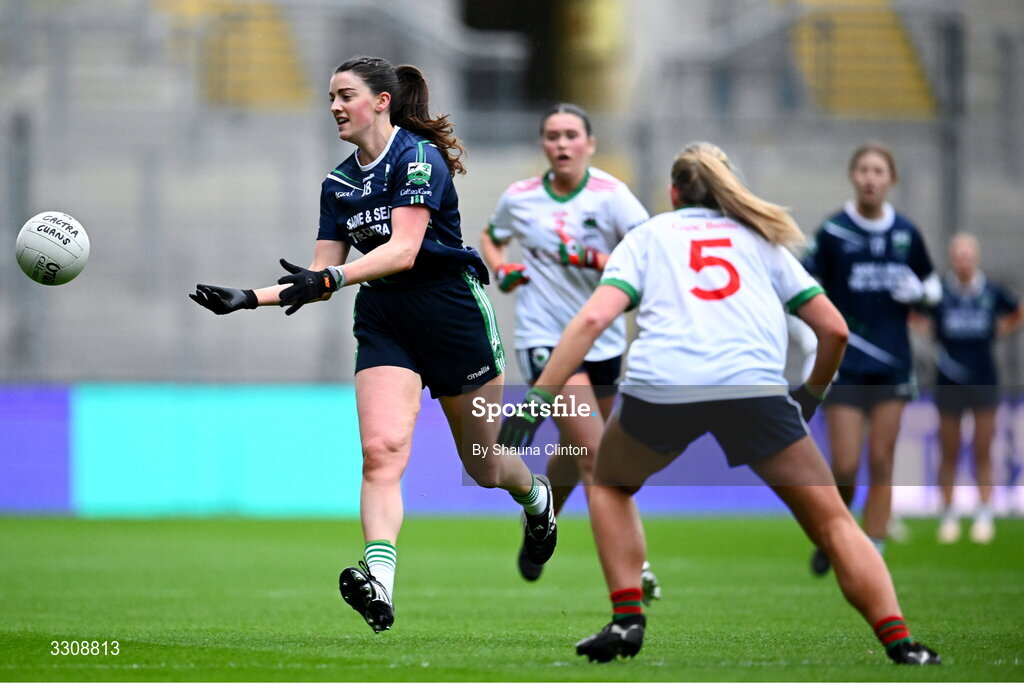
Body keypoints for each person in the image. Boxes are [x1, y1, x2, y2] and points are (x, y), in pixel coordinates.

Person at [498, 142, 940, 665]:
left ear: (673, 192)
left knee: (612, 485)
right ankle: (902, 644)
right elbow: (834, 330)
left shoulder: (648, 237)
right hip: (752, 387)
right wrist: (810, 396)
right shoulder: (763, 239)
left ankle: (626, 620)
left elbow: (592, 321)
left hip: (664, 384)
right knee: (835, 523)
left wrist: (537, 401)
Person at [189, 56, 557, 634]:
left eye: (345, 95)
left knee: (484, 466)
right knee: (382, 450)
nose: (334, 105)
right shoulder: (337, 183)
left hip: (453, 316)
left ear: (381, 101)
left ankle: (535, 498)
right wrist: (248, 297)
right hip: (385, 321)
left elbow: (404, 249)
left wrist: (330, 279)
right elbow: (318, 274)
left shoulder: (417, 157)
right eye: (330, 96)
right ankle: (380, 584)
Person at [480, 103, 658, 593]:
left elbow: (649, 254)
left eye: (571, 135)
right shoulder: (520, 197)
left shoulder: (613, 196)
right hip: (544, 340)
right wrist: (502, 267)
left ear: (589, 144)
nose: (561, 144)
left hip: (603, 341)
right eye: (552, 135)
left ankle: (542, 521)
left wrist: (597, 258)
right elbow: (492, 238)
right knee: (598, 454)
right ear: (543, 144)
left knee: (577, 448)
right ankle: (635, 568)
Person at [803, 142, 941, 575]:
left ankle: (873, 551)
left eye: (878, 171)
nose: (870, 177)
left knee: (882, 460)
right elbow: (806, 284)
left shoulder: (907, 234)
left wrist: (920, 293)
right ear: (852, 175)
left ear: (891, 179)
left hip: (893, 366)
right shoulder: (833, 232)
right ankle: (833, 532)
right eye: (863, 169)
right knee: (845, 466)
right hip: (846, 367)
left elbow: (934, 287)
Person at [917, 233, 1023, 544]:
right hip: (948, 380)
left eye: (968, 255)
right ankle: (948, 515)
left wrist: (1002, 329)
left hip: (983, 378)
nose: (963, 260)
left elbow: (1016, 309)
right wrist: (930, 332)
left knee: (983, 450)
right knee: (948, 451)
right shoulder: (939, 294)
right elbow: (914, 314)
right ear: (952, 258)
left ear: (974, 258)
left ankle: (984, 514)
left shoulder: (991, 292)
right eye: (958, 255)